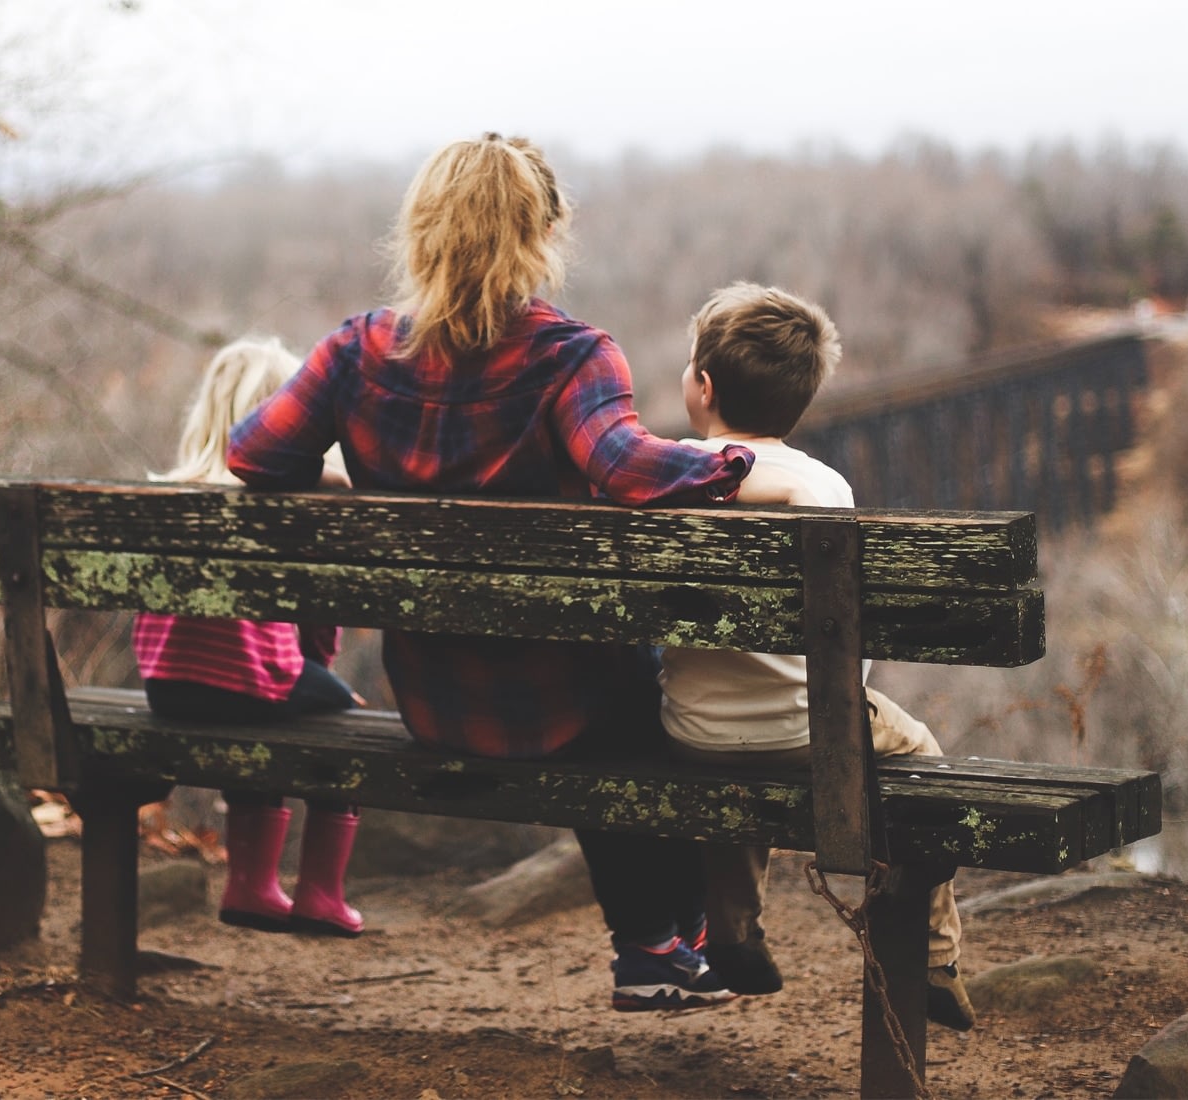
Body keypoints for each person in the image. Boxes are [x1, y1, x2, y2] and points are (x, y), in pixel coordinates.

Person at [229, 133, 752, 1011]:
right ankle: (663, 942)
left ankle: (667, 944)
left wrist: (338, 477)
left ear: (421, 230)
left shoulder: (355, 352)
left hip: (435, 700)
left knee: (617, 686)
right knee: (647, 690)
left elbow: (253, 455)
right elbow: (626, 468)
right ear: (544, 232)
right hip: (566, 707)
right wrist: (735, 463)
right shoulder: (571, 356)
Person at [659, 282, 978, 1031]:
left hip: (692, 732)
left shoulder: (664, 474)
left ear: (702, 387)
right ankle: (934, 956)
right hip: (814, 731)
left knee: (734, 743)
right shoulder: (824, 487)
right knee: (921, 754)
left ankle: (732, 930)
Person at [131, 336, 367, 937]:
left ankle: (251, 885)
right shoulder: (284, 500)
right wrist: (326, 679)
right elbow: (315, 619)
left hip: (167, 688)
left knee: (259, 700)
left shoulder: (170, 493)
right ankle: (318, 894)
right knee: (343, 721)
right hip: (249, 683)